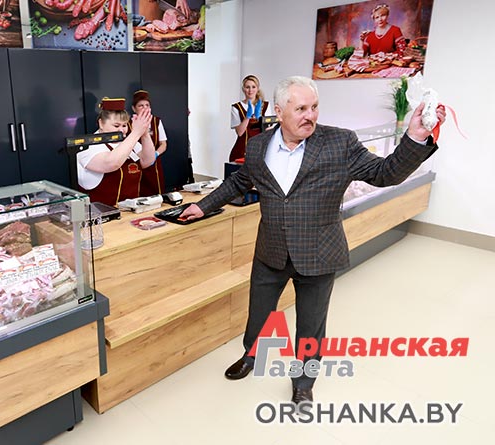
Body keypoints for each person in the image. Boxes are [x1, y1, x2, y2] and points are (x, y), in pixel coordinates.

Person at [180, 76, 446, 404]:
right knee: (259, 313)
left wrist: (415, 137)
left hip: (319, 252)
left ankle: (303, 382)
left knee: (311, 323)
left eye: (315, 107)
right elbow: (239, 182)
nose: (310, 115)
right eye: (301, 109)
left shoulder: (340, 143)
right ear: (279, 112)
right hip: (270, 250)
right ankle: (252, 355)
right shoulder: (258, 145)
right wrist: (202, 206)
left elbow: (385, 173)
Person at [77, 97, 155, 206]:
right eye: (116, 125)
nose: (122, 130)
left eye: (124, 125)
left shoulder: (128, 142)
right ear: (101, 123)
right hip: (101, 213)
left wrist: (144, 133)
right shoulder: (87, 147)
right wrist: (136, 133)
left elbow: (148, 161)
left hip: (132, 210)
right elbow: (111, 163)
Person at [130, 90, 167, 196]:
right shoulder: (128, 124)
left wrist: (155, 154)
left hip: (154, 165)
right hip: (136, 165)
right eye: (141, 106)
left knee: (156, 193)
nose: (145, 108)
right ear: (134, 108)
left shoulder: (156, 121)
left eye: (147, 105)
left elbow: (163, 144)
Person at [229, 75, 271, 163]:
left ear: (257, 88)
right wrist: (247, 117)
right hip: (241, 151)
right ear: (243, 89)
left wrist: (259, 119)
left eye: (253, 87)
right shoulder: (237, 107)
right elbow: (240, 133)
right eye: (247, 87)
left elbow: (268, 132)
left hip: (260, 150)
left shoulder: (265, 106)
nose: (250, 90)